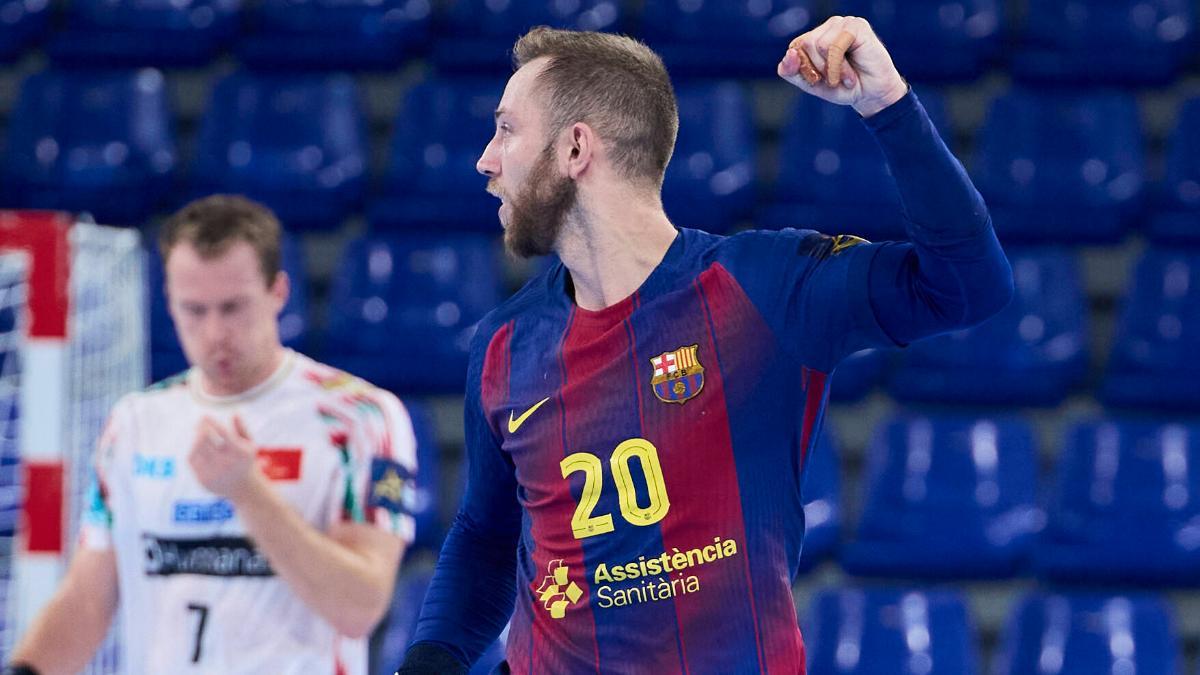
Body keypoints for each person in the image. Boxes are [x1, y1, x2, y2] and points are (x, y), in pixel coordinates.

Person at [399, 17, 1013, 675]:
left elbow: (969, 286)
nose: (486, 160)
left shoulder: (762, 287)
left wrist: (887, 105)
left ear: (576, 148)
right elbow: (487, 536)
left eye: (507, 130)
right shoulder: (504, 343)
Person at [8, 195, 418, 675]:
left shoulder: (360, 416)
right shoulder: (136, 421)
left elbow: (359, 608)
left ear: (278, 292)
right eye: (194, 311)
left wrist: (247, 492)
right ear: (169, 302)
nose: (214, 332)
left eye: (233, 307)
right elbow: (87, 599)